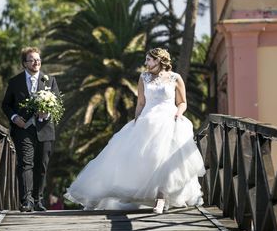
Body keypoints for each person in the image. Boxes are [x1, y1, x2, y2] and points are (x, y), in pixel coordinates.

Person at [64, 48, 205, 213]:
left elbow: (182, 103)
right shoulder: (143, 77)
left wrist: (178, 114)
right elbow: (141, 103)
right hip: (147, 121)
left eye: (150, 60)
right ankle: (96, 197)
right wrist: (137, 120)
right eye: (146, 60)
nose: (147, 63)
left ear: (159, 60)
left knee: (164, 159)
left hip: (169, 121)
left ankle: (161, 199)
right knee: (122, 158)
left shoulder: (175, 78)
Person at [2, 47, 60, 212]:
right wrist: (14, 118)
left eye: (38, 59)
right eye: (32, 60)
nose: (36, 62)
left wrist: (46, 113)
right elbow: (5, 105)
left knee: (41, 165)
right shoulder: (15, 82)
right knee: (25, 164)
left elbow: (56, 103)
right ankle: (26, 201)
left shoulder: (49, 80)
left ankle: (38, 200)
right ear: (24, 63)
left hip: (45, 128)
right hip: (23, 129)